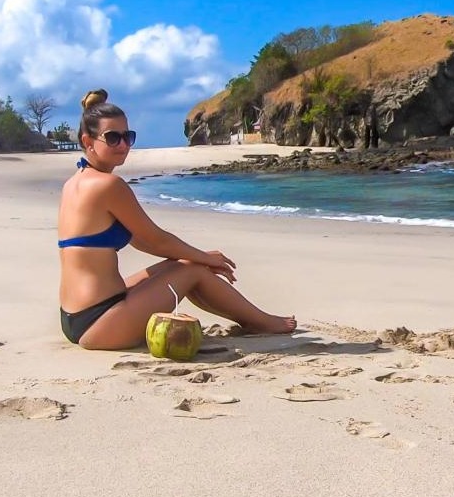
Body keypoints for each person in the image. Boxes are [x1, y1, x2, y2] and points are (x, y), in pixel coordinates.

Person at [57, 88, 296, 350]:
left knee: (184, 263)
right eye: (113, 138)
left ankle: (252, 320)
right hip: (101, 322)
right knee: (192, 268)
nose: (123, 145)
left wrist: (196, 256)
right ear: (88, 142)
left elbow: (142, 242)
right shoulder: (108, 185)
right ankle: (261, 321)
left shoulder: (74, 184)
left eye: (128, 136)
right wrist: (205, 258)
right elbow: (155, 241)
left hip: (74, 317)